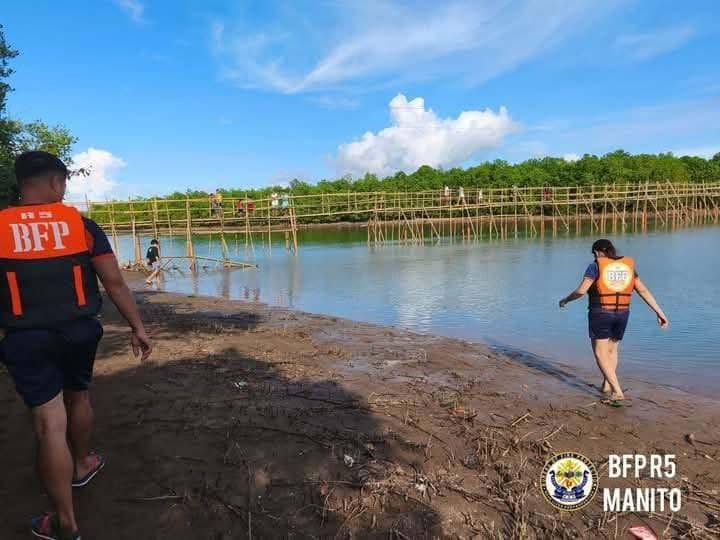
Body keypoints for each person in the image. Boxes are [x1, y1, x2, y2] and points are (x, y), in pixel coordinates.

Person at [0, 151, 152, 539]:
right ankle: (82, 461)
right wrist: (138, 327)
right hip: (79, 332)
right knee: (79, 396)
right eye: (63, 183)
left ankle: (64, 520)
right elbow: (114, 283)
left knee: (50, 424)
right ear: (55, 183)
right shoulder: (80, 225)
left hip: (25, 338)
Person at [558, 239, 668, 405]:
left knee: (600, 353)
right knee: (612, 350)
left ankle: (617, 391)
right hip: (622, 313)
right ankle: (607, 384)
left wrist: (565, 300)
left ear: (596, 252)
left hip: (601, 313)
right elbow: (643, 290)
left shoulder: (595, 266)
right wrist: (660, 313)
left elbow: (582, 290)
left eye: (594, 253)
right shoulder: (627, 266)